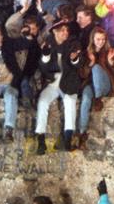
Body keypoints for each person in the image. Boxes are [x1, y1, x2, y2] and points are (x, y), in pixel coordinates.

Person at [34, 19, 84, 155]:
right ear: (55, 32)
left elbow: (79, 64)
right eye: (62, 30)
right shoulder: (49, 45)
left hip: (68, 82)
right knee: (43, 102)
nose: (65, 33)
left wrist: (75, 59)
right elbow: (44, 68)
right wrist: (45, 56)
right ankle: (40, 139)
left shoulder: (73, 44)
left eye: (67, 30)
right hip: (53, 83)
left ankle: (68, 139)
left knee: (70, 102)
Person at [77, 26, 114, 149]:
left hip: (105, 85)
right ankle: (82, 134)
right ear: (93, 39)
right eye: (98, 39)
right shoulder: (87, 53)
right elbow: (82, 74)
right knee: (85, 99)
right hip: (90, 85)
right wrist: (90, 63)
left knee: (97, 68)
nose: (100, 42)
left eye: (102, 39)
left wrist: (111, 62)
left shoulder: (110, 51)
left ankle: (98, 99)